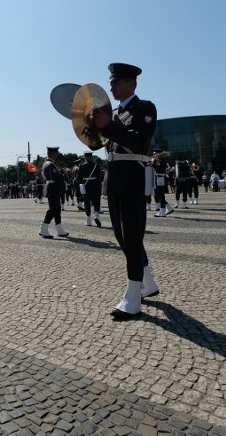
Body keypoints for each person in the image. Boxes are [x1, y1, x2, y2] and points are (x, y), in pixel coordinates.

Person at [91, 62, 160, 320]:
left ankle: (133, 297)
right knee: (122, 237)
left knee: (131, 237)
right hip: (116, 178)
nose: (111, 86)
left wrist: (108, 125)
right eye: (111, 81)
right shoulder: (116, 112)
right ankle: (149, 283)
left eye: (116, 82)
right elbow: (107, 144)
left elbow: (137, 140)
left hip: (132, 178)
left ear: (131, 83)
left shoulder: (145, 108)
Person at [38, 146, 68, 238]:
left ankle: (59, 228)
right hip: (53, 188)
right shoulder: (50, 164)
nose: (57, 154)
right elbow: (56, 178)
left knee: (57, 209)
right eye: (56, 153)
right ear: (52, 153)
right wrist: (63, 175)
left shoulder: (47, 163)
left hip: (53, 188)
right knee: (53, 209)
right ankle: (43, 228)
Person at [77, 151, 103, 227]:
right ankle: (97, 216)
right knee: (96, 201)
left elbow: (79, 179)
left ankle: (88, 219)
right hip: (95, 185)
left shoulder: (82, 166)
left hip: (86, 186)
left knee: (87, 202)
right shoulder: (97, 165)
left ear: (85, 158)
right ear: (92, 157)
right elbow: (100, 177)